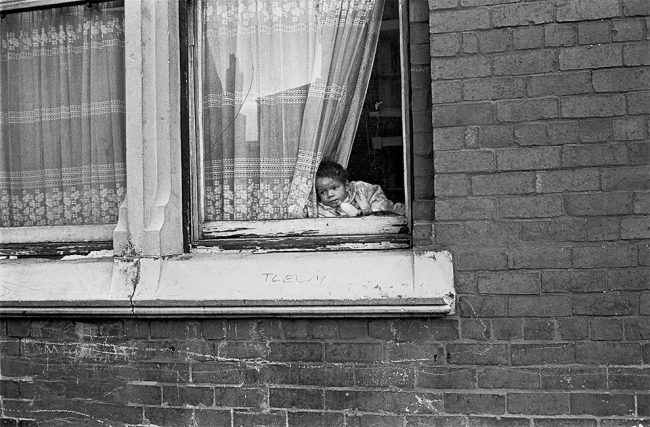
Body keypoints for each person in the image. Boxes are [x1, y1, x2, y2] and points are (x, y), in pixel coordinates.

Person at [315, 160, 405, 217]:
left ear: (346, 186)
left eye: (334, 188)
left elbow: (380, 201)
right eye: (322, 192)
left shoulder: (360, 189)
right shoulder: (322, 209)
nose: (329, 195)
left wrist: (370, 212)